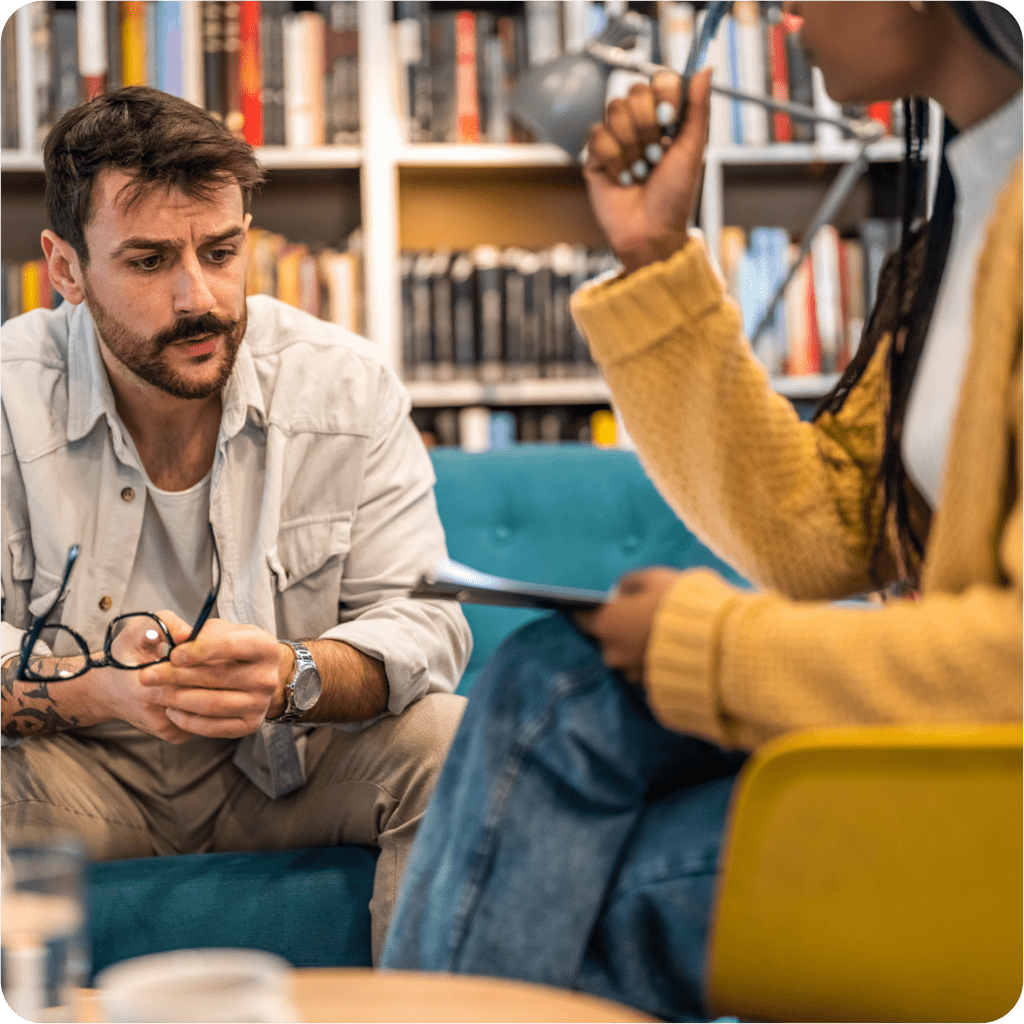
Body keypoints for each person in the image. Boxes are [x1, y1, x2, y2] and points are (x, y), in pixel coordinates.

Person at [381, 2, 1022, 1018]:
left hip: (991, 785)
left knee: (560, 894)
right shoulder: (964, 212)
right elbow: (819, 537)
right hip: (948, 748)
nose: (789, 13)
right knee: (550, 678)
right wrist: (653, 256)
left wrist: (704, 643)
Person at [0, 86, 471, 963]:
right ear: (64, 268)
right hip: (78, 773)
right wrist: (96, 689)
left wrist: (293, 674)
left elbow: (427, 622)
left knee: (452, 743)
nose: (200, 298)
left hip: (291, 767)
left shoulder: (346, 383)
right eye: (147, 262)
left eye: (222, 251)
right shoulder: (7, 391)